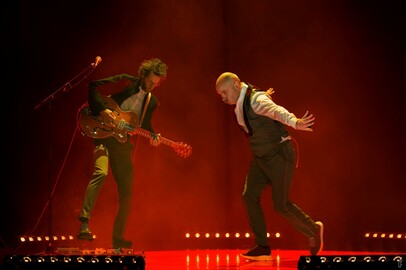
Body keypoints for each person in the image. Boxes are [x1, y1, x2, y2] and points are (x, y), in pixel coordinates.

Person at [215, 72, 323, 261]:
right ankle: (263, 246)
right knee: (249, 196)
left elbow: (276, 111)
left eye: (224, 92)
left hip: (279, 154)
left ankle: (313, 229)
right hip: (261, 157)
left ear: (235, 84)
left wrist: (295, 122)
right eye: (220, 95)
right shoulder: (245, 99)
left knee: (281, 206)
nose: (223, 98)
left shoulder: (256, 99)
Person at [77, 58, 168, 249]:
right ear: (143, 74)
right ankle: (84, 222)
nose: (153, 86)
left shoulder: (152, 102)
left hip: (122, 144)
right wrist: (103, 110)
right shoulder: (125, 80)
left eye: (156, 83)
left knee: (127, 193)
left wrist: (153, 137)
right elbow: (92, 86)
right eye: (151, 81)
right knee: (101, 172)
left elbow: (145, 126)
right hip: (103, 135)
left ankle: (118, 240)